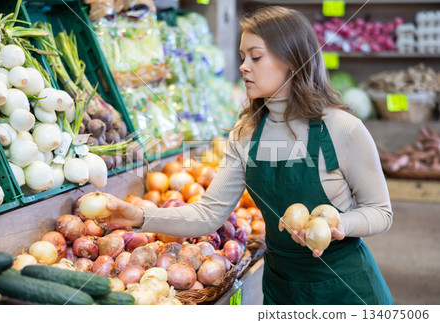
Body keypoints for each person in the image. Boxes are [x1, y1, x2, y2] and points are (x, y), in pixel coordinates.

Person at [81, 6, 393, 305]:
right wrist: (142, 217)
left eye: (256, 57)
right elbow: (208, 214)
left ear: (292, 60)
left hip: (346, 288)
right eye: (243, 57)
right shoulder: (246, 133)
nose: (244, 67)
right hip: (281, 287)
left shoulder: (341, 128)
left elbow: (381, 211)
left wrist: (341, 223)